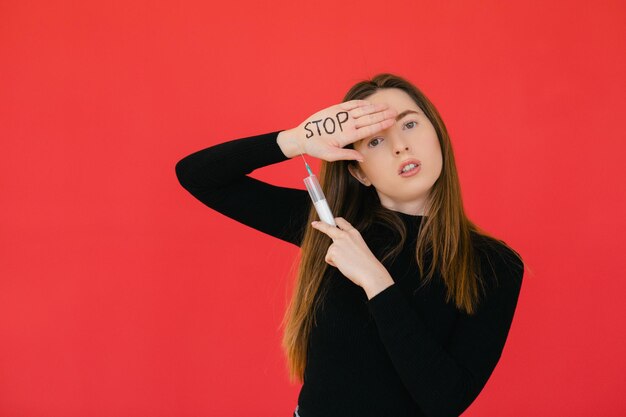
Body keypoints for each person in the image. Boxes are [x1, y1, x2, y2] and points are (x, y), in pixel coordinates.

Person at [175, 73, 524, 417]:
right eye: (374, 140)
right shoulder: (332, 227)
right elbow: (198, 176)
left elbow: (445, 400)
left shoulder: (495, 265)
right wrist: (298, 139)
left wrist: (377, 282)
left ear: (438, 136)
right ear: (360, 173)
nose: (400, 145)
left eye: (410, 125)